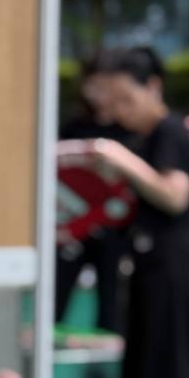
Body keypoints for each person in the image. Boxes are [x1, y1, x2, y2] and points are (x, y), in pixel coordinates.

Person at [88, 47, 189, 378]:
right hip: (145, 263)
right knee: (139, 359)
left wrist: (122, 161)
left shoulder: (171, 131)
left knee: (165, 362)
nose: (119, 111)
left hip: (173, 264)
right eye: (113, 101)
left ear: (154, 88)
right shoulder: (144, 136)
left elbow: (175, 195)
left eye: (127, 99)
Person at [55, 50, 133, 332]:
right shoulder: (75, 127)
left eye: (104, 86)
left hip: (113, 229)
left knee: (112, 304)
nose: (98, 94)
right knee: (55, 299)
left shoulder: (129, 129)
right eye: (92, 86)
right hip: (73, 228)